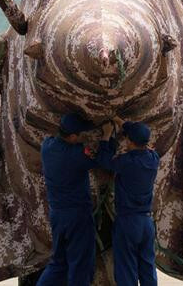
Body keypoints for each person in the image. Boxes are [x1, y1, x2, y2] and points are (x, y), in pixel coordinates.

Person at [36, 113, 98, 286]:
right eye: (80, 135)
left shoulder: (47, 147)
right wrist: (107, 138)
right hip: (77, 217)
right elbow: (98, 161)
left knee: (58, 263)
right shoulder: (76, 155)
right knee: (80, 264)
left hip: (57, 215)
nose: (82, 138)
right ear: (72, 136)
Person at [97, 119, 160, 286]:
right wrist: (123, 123)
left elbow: (104, 161)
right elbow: (139, 137)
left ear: (130, 141)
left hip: (128, 223)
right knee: (147, 267)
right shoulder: (153, 159)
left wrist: (106, 136)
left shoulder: (126, 162)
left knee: (126, 269)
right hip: (146, 223)